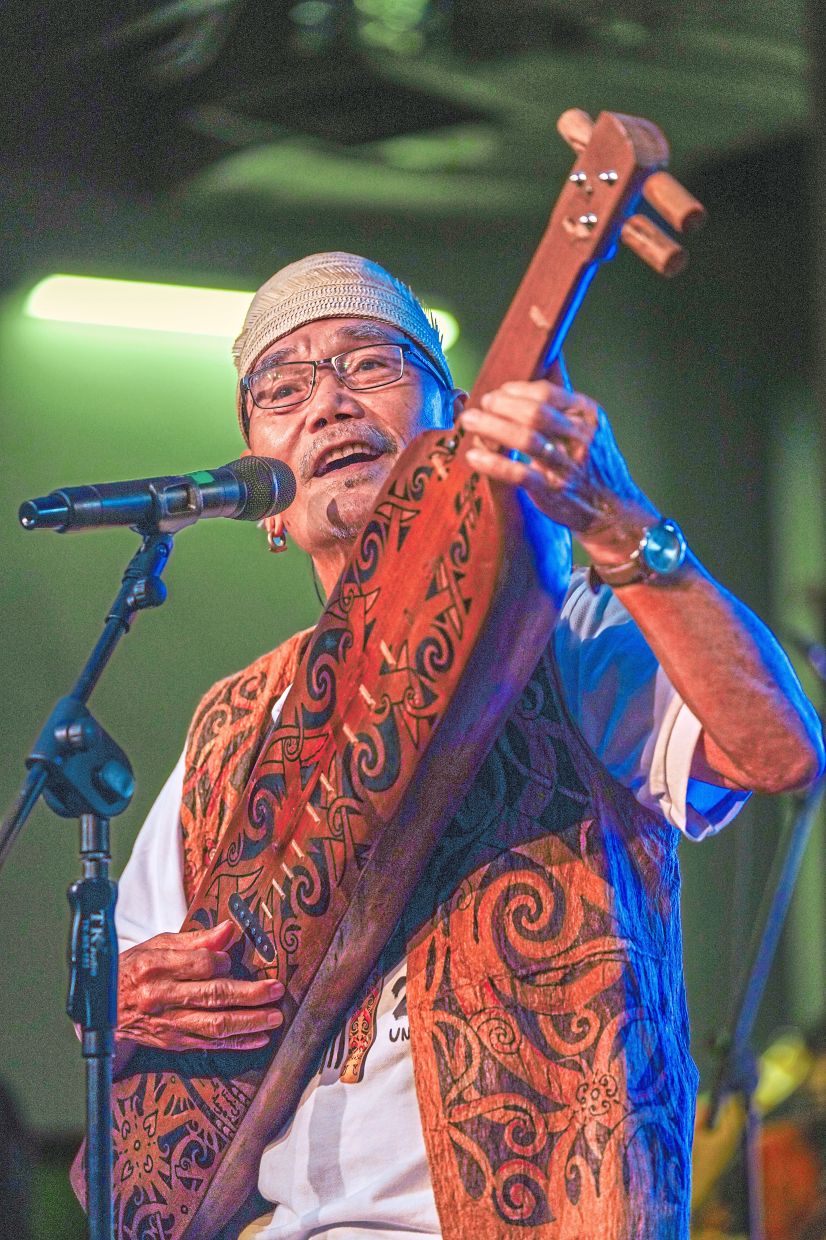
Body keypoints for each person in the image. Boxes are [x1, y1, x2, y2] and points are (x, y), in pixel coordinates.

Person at [111, 252, 824, 1240]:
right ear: (268, 509)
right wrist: (116, 1000)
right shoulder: (232, 727)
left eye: (370, 365)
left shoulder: (565, 636)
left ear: (453, 429)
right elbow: (130, 999)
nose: (326, 403)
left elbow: (778, 751)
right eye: (283, 386)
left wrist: (616, 521)